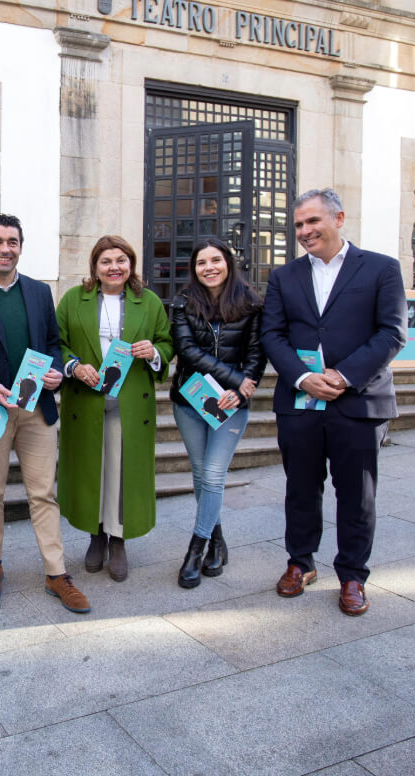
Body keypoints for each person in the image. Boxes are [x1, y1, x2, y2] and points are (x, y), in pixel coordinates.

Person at [261, 188, 406, 616]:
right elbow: (273, 335)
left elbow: (391, 332)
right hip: (301, 403)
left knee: (356, 496)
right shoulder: (283, 277)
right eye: (299, 225)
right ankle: (300, 563)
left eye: (312, 222)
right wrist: (304, 378)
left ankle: (353, 575)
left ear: (338, 218)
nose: (304, 231)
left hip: (358, 402)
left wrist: (342, 376)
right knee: (300, 488)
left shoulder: (381, 268)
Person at [0, 214, 89, 613]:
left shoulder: (37, 292)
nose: (5, 248)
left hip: (37, 410)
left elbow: (53, 341)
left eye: (12, 241)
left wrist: (55, 370)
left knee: (43, 494)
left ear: (20, 247)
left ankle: (56, 574)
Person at [57, 235, 173, 582]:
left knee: (121, 473)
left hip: (129, 404)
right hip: (86, 402)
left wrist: (153, 352)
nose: (114, 267)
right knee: (94, 470)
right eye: (106, 261)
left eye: (121, 260)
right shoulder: (73, 300)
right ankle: (96, 536)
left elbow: (166, 344)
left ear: (131, 265)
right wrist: (74, 365)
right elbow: (56, 342)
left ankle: (118, 539)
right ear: (95, 266)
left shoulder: (148, 301)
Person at [169, 238, 266, 588]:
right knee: (200, 475)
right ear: (193, 268)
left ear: (228, 262)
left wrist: (243, 388)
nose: (209, 267)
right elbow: (187, 351)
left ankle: (195, 549)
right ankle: (217, 542)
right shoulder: (182, 302)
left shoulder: (252, 303)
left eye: (216, 260)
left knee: (212, 475)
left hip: (231, 404)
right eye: (201, 263)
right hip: (190, 400)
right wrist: (238, 379)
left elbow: (257, 352)